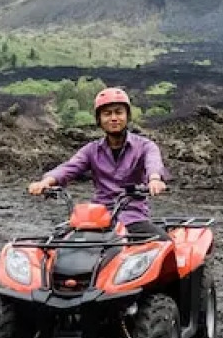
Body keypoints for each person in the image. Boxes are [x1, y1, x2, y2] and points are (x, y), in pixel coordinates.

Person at [28, 87, 169, 239]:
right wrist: (45, 182)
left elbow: (153, 163)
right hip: (98, 218)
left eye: (118, 112)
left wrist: (154, 180)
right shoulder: (91, 150)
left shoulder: (145, 146)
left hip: (132, 218)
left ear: (127, 116)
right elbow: (69, 167)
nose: (114, 118)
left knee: (164, 243)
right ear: (99, 120)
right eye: (107, 114)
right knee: (59, 247)